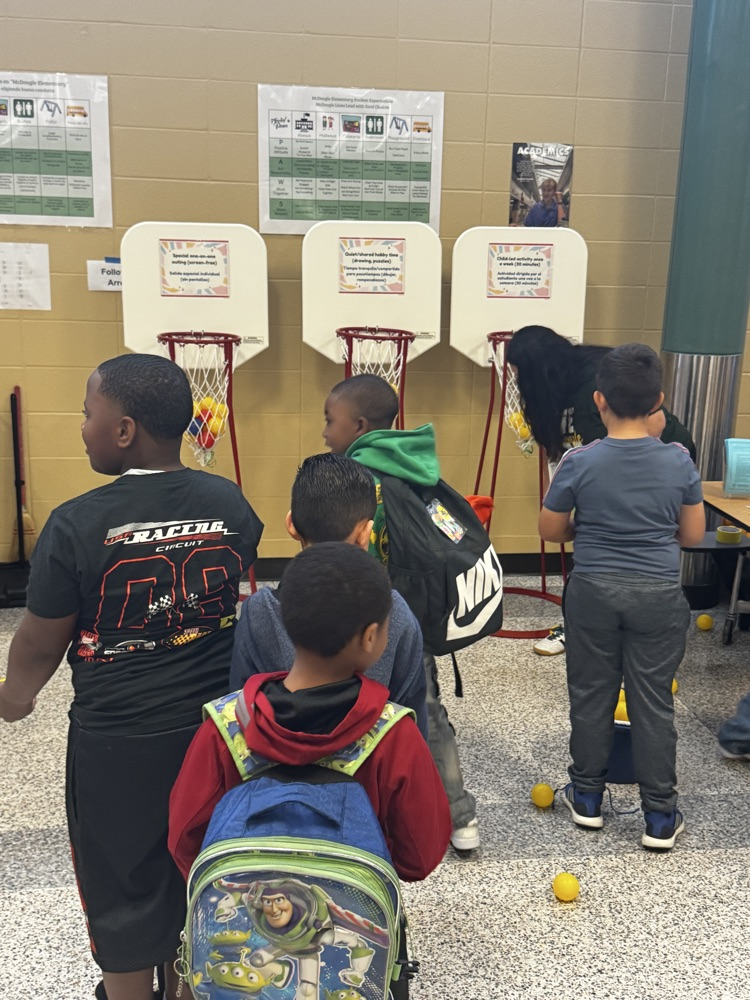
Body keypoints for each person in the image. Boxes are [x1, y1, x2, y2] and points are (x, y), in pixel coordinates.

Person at [0, 354, 263, 1000]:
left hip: (114, 749)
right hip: (212, 739)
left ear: (124, 431)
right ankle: (181, 988)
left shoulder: (75, 524)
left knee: (120, 888)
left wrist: (13, 699)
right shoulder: (228, 502)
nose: (81, 428)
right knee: (191, 868)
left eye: (88, 415)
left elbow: (39, 642)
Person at [169, 542, 451, 882]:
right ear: (371, 637)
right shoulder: (394, 736)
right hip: (354, 926)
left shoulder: (225, 727)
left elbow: (184, 839)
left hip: (243, 922)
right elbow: (420, 856)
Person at [539, 343, 704, 850]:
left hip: (592, 593)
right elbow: (692, 536)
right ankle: (659, 816)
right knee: (653, 701)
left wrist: (586, 527)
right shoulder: (677, 460)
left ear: (599, 401)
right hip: (657, 593)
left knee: (592, 694)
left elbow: (550, 529)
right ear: (658, 399)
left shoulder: (578, 460)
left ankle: (587, 798)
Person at [322, 374, 480, 852]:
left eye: (331, 421)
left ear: (360, 425)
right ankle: (460, 818)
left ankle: (354, 817)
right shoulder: (414, 465)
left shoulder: (351, 478)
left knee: (350, 712)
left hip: (359, 623)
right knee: (427, 715)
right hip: (412, 620)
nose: (325, 431)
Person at [506, 325, 696, 656]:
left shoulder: (593, 386)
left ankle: (605, 631)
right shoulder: (565, 385)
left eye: (520, 370)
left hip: (654, 468)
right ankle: (602, 630)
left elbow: (645, 433)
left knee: (614, 565)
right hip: (624, 505)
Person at [229, 452, 428, 737]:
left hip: (274, 770)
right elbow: (412, 720)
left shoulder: (258, 611)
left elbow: (241, 706)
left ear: (291, 525)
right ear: (365, 533)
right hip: (373, 773)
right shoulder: (394, 612)